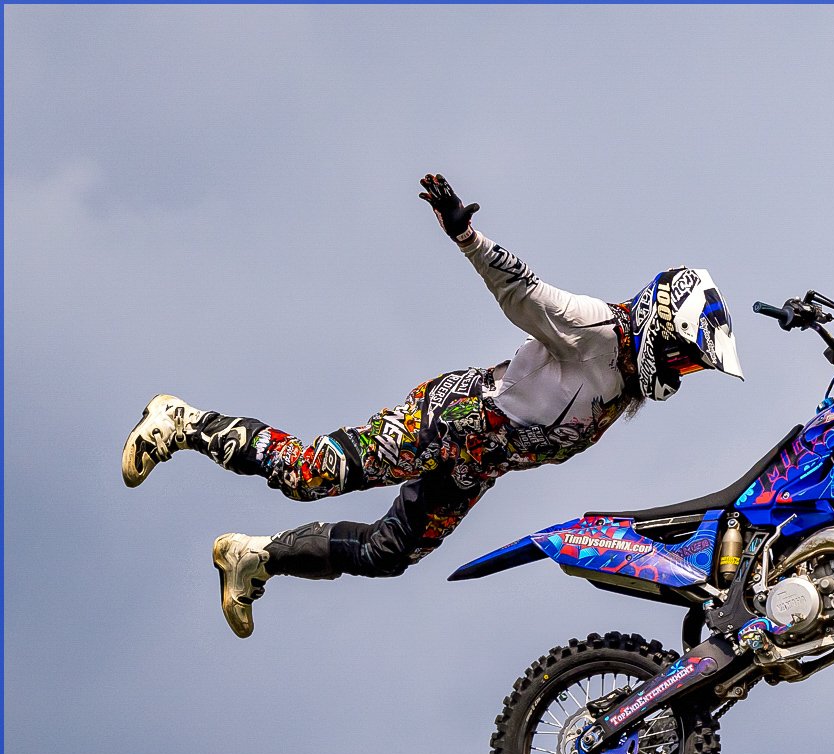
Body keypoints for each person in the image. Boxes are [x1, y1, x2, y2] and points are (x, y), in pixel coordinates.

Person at [122, 173, 742, 638]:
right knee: (308, 474)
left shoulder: (623, 385)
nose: (679, 371)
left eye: (691, 366)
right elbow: (524, 292)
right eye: (684, 355)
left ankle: (253, 557)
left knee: (387, 555)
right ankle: (183, 423)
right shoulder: (596, 329)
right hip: (446, 421)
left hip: (475, 467)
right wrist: (467, 236)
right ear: (661, 318)